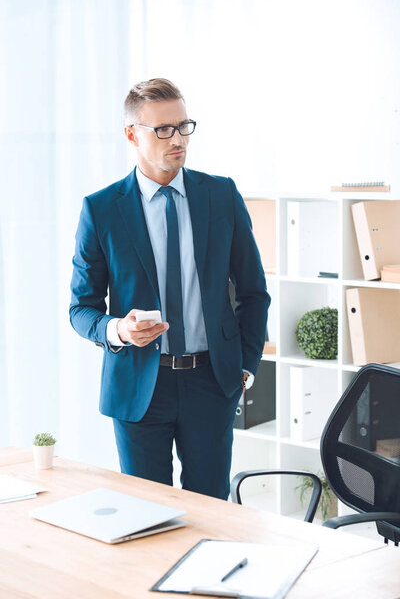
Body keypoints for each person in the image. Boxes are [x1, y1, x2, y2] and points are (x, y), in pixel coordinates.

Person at [70, 78, 270, 500]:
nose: (178, 139)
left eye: (183, 126)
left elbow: (254, 292)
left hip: (211, 382)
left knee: (210, 509)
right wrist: (118, 331)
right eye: (163, 129)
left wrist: (245, 369)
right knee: (145, 515)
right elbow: (81, 308)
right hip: (138, 387)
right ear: (132, 134)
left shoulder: (221, 195)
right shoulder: (102, 209)